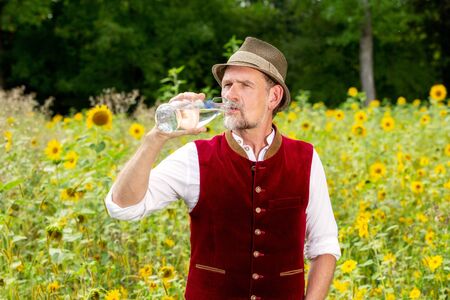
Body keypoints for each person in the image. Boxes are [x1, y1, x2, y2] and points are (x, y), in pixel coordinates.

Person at [105, 37, 340, 300]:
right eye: (227, 84)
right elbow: (122, 207)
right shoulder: (196, 158)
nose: (230, 94)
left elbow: (325, 245)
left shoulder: (305, 158)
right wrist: (155, 138)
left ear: (274, 96)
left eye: (245, 85)